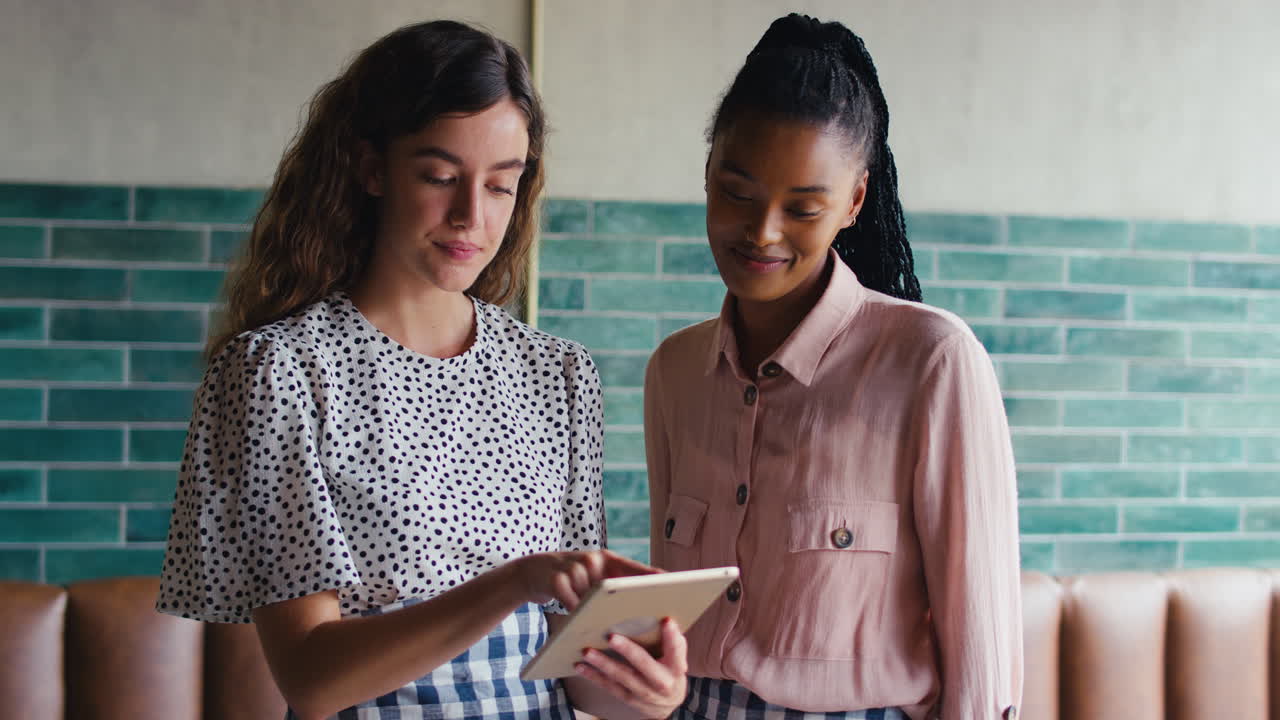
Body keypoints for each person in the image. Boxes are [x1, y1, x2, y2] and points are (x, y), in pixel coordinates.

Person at [156, 20, 686, 720]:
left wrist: (647, 693)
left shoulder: (557, 374)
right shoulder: (280, 372)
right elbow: (313, 682)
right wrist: (509, 584)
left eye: (502, 186)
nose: (471, 216)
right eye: (440, 176)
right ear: (371, 168)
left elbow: (574, 671)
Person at [644, 14, 1022, 720]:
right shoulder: (674, 370)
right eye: (737, 193)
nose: (762, 232)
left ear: (853, 201)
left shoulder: (932, 361)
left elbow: (981, 634)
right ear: (706, 174)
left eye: (804, 207)